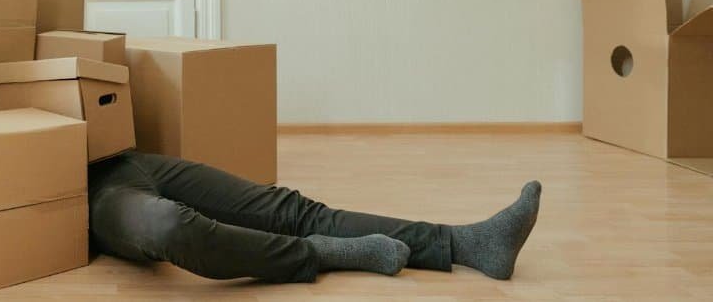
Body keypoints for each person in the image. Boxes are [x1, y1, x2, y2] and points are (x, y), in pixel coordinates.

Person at [89, 151, 540, 282]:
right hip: (84, 192)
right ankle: (315, 254)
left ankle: (466, 243)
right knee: (171, 226)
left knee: (290, 209)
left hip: (121, 157)